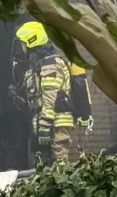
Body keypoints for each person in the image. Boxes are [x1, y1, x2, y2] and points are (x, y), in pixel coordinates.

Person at [12, 21, 74, 164]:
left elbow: (50, 97)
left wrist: (45, 125)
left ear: (31, 41)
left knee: (59, 165)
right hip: (44, 123)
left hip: (55, 123)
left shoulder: (50, 64)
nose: (20, 49)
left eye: (21, 44)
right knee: (44, 166)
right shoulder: (36, 67)